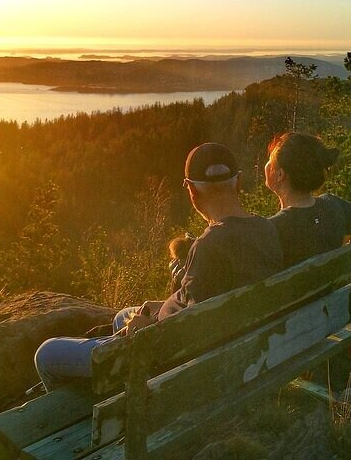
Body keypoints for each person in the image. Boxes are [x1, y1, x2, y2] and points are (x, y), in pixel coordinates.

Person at [34, 142, 283, 391]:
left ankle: (91, 409)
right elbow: (206, 302)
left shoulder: (208, 246)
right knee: (123, 316)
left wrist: (148, 329)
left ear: (192, 191)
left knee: (47, 354)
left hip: (171, 364)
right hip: (243, 345)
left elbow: (193, 338)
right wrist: (166, 305)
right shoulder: (266, 229)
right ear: (238, 181)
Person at [264, 132, 351, 267]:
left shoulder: (270, 229)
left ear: (280, 175)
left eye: (270, 160)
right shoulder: (333, 207)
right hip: (336, 288)